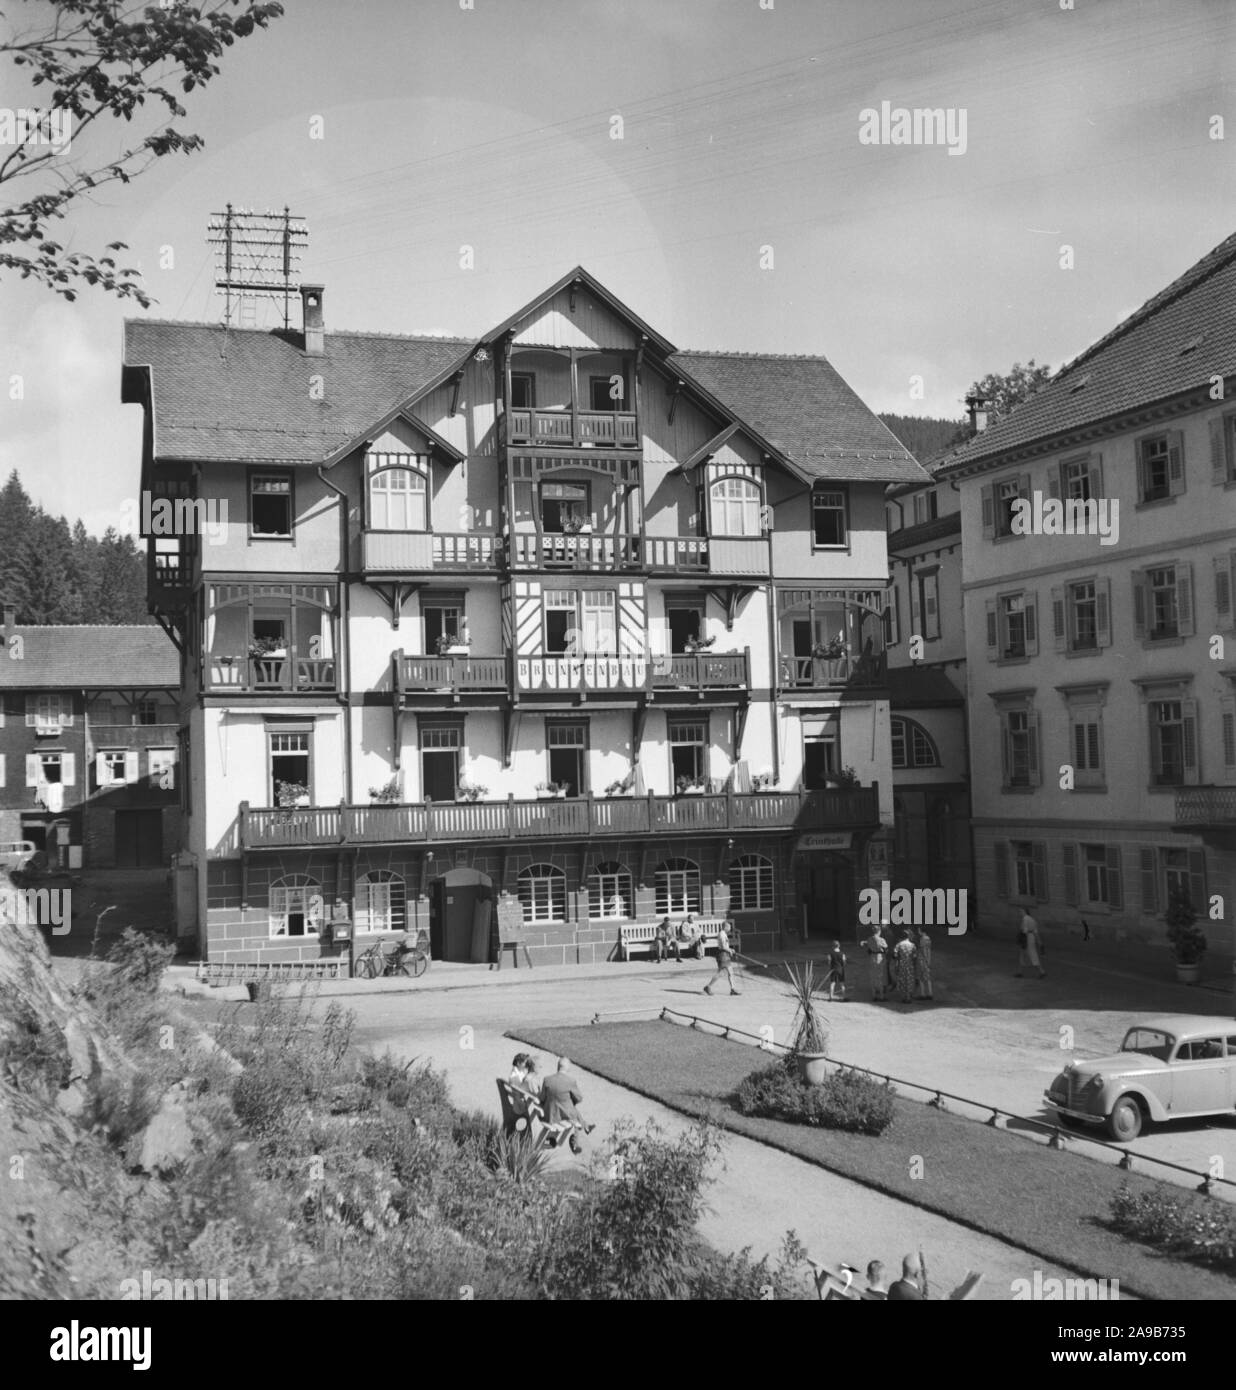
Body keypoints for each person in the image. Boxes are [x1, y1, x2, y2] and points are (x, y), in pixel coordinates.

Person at [540, 1056, 594, 1153]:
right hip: (563, 1116)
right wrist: (570, 1100)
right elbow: (579, 1098)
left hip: (549, 1114)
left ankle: (586, 1127)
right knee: (573, 1112)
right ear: (567, 1068)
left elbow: (542, 1098)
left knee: (570, 1107)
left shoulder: (547, 1079)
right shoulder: (570, 1081)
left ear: (558, 1066)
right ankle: (575, 1143)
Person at [703, 922, 741, 995]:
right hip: (722, 955)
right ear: (725, 927)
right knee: (721, 973)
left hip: (725, 954)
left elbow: (725, 946)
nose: (730, 929)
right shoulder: (722, 934)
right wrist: (730, 950)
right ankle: (708, 986)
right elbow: (723, 947)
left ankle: (733, 989)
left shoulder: (723, 934)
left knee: (730, 972)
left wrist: (730, 949)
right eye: (729, 927)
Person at [1016, 907, 1046, 979]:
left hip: (1027, 938)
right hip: (1031, 937)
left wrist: (1023, 941)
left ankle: (1042, 971)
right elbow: (1035, 932)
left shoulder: (1025, 918)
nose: (1019, 912)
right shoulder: (1032, 919)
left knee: (1031, 955)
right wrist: (1039, 942)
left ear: (1025, 911)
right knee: (1024, 955)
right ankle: (1020, 972)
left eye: (1021, 911)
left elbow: (1025, 931)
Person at [861, 924, 889, 1001]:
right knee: (880, 977)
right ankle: (881, 996)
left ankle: (874, 996)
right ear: (879, 931)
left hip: (872, 957)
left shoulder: (869, 939)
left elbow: (866, 945)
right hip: (880, 958)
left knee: (873, 976)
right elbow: (886, 949)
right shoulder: (882, 940)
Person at [891, 928, 917, 1004]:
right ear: (908, 936)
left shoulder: (898, 945)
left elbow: (895, 955)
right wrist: (914, 965)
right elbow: (915, 956)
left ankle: (903, 997)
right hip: (910, 965)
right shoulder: (913, 945)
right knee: (909, 980)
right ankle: (908, 997)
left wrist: (896, 964)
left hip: (901, 964)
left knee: (902, 980)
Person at [913, 925, 934, 1001]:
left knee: (921, 977)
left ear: (922, 931)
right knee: (927, 978)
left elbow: (924, 950)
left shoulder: (922, 939)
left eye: (919, 930)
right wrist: (929, 960)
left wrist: (925, 959)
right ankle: (930, 994)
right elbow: (928, 950)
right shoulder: (928, 939)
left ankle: (923, 994)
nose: (918, 932)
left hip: (922, 960)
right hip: (926, 960)